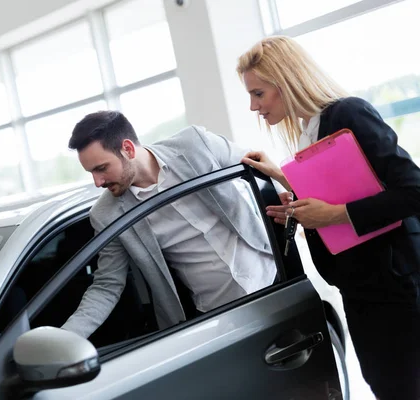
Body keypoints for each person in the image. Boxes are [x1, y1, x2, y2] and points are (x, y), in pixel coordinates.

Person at [237, 35, 420, 400]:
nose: (253, 106)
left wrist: (333, 214)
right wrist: (294, 193)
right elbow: (354, 189)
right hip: (362, 291)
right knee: (385, 386)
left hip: (396, 288)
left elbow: (413, 190)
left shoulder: (347, 113)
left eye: (258, 93)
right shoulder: (310, 131)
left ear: (286, 80)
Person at [61, 111, 277, 338]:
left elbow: (260, 169)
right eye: (91, 172)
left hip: (273, 277)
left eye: (101, 168)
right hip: (214, 318)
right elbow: (107, 285)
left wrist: (291, 199)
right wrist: (65, 340)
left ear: (128, 149)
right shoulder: (106, 214)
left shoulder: (195, 144)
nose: (97, 182)